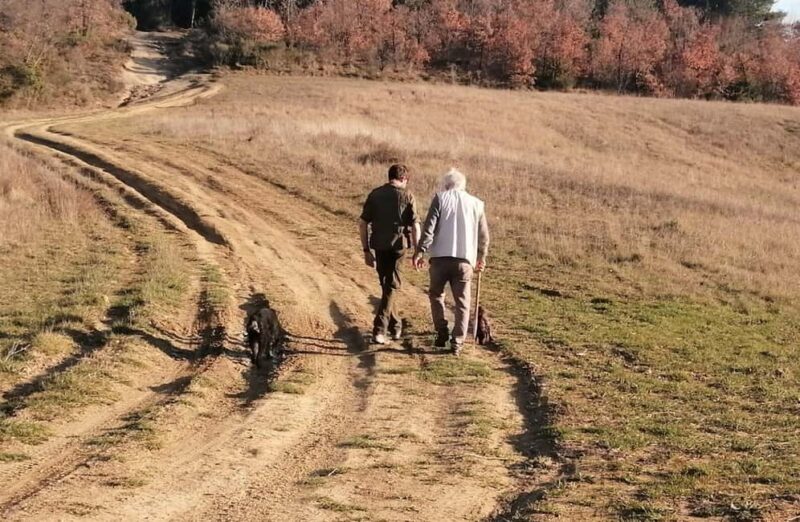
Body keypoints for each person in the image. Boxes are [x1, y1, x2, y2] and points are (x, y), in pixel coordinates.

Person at [412, 168, 489, 355]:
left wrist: (420, 251)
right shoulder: (477, 204)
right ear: (464, 185)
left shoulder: (440, 198)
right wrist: (481, 256)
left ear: (446, 185)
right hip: (464, 261)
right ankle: (457, 342)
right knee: (462, 302)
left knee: (436, 295)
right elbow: (484, 236)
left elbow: (429, 229)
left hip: (439, 259)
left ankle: (442, 330)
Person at [360, 164, 420, 345]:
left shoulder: (375, 194)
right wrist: (418, 250)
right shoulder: (408, 196)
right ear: (404, 179)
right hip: (398, 247)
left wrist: (366, 250)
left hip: (378, 246)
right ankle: (379, 330)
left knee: (388, 286)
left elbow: (362, 223)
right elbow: (415, 225)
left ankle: (396, 327)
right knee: (391, 287)